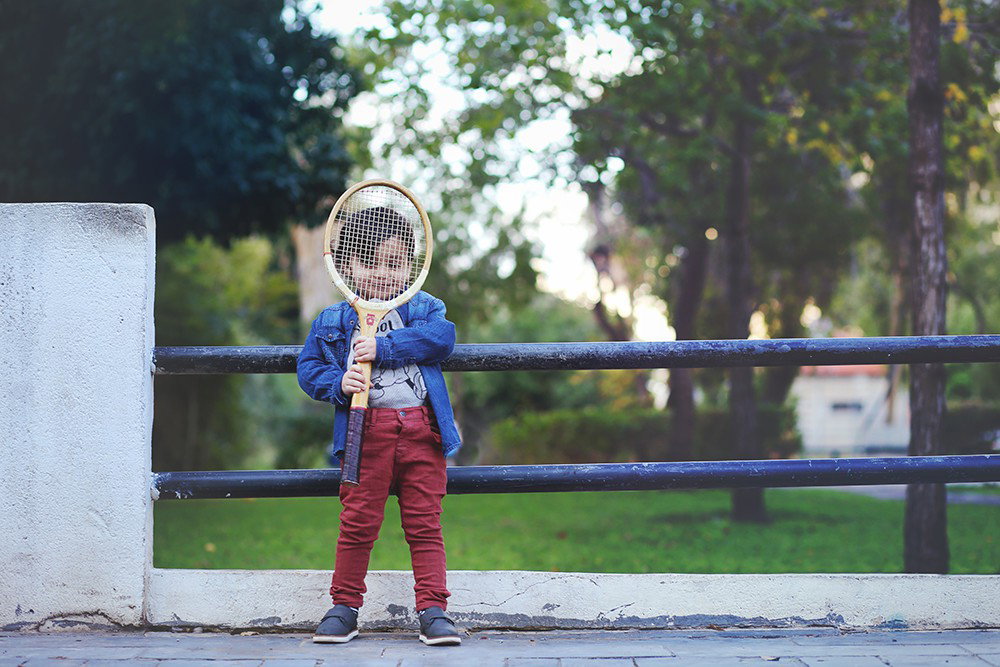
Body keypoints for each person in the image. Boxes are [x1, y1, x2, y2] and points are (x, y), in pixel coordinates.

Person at [297, 206, 463, 646]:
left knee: (425, 524)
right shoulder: (332, 321)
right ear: (347, 263)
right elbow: (308, 368)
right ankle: (344, 607)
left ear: (411, 265)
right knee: (357, 522)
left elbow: (442, 338)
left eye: (395, 263)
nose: (383, 274)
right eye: (370, 263)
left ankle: (433, 610)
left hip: (422, 432)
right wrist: (338, 382)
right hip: (363, 433)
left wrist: (384, 346)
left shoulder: (426, 308)